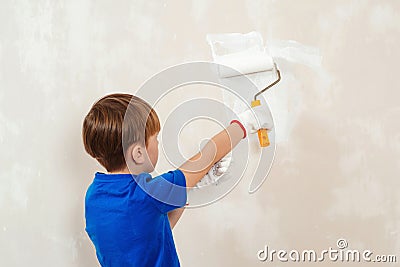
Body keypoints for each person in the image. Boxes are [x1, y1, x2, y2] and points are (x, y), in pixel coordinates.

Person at [82, 93, 270, 266]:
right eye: (155, 138)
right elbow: (207, 156)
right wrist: (245, 123)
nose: (157, 143)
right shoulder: (148, 194)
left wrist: (192, 187)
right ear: (138, 153)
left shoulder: (94, 196)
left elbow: (148, 235)